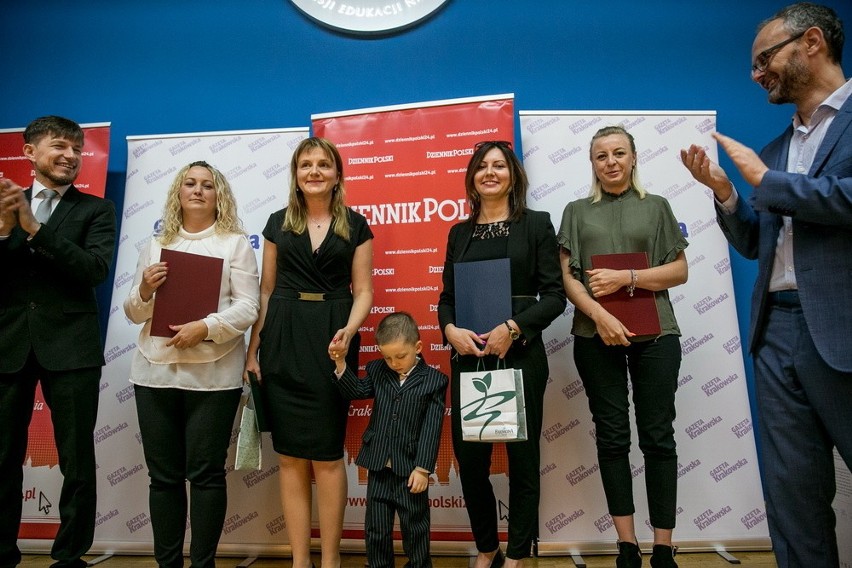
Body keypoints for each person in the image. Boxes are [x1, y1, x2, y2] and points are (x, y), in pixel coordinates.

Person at [680, 4, 852, 566]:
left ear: (811, 43)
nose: (757, 75)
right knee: (793, 493)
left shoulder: (774, 162)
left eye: (764, 60)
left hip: (843, 329)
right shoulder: (778, 149)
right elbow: (759, 242)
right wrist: (728, 192)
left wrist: (763, 179)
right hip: (775, 332)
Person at [558, 125, 688, 568]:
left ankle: (664, 547)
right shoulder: (575, 211)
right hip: (596, 336)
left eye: (618, 153)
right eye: (601, 156)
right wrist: (600, 315)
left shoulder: (658, 208)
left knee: (658, 436)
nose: (610, 162)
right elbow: (568, 278)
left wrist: (626, 279)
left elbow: (679, 271)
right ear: (592, 163)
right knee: (612, 438)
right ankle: (627, 545)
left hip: (657, 335)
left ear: (633, 158)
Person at [244, 137, 373, 568]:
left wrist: (349, 332)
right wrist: (253, 350)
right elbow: (265, 291)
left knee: (328, 456)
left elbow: (364, 291)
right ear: (296, 176)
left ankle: (331, 559)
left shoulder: (356, 225)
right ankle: (301, 559)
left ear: (338, 174)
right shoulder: (277, 223)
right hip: (283, 337)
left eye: (323, 164)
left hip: (332, 342)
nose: (314, 171)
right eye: (305, 165)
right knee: (291, 457)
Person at [123, 161, 259, 568]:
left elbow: (249, 307)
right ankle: (168, 564)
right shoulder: (155, 243)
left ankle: (203, 564)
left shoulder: (235, 243)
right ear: (178, 193)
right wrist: (145, 289)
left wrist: (206, 326)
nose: (198, 190)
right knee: (162, 478)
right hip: (155, 372)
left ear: (220, 195)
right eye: (190, 183)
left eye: (208, 185)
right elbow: (133, 312)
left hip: (213, 377)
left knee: (205, 476)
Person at [437, 140, 565, 568]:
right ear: (472, 178)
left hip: (520, 355)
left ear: (513, 175)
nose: (489, 173)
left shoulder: (536, 225)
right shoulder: (459, 233)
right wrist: (449, 329)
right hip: (471, 359)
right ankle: (487, 547)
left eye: (499, 166)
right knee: (471, 462)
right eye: (481, 167)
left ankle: (516, 554)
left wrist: (513, 328)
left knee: (522, 461)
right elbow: (447, 298)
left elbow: (555, 297)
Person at [0, 116, 116, 568]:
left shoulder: (95, 211)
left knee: (76, 459)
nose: (70, 155)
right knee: (3, 457)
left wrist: (34, 228)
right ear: (29, 152)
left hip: (71, 348)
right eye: (59, 146)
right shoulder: (6, 205)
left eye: (77, 148)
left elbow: (92, 270)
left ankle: (69, 557)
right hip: (8, 346)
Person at [332, 311, 448, 568]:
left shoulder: (435, 381)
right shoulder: (377, 370)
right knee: (376, 529)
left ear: (417, 347)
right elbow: (357, 390)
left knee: (415, 528)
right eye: (387, 357)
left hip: (410, 470)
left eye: (400, 356)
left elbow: (431, 428)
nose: (393, 363)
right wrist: (341, 364)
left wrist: (423, 468)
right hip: (379, 467)